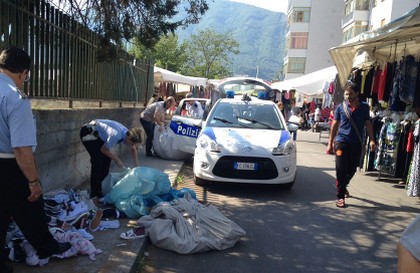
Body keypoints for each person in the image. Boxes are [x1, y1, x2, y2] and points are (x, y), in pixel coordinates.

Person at [0, 46, 71, 272]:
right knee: (32, 204)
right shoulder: (14, 97)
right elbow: (21, 148)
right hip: (8, 165)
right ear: (23, 72)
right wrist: (33, 181)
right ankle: (47, 246)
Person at [327, 82, 376, 208]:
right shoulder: (340, 108)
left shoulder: (364, 107)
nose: (348, 96)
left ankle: (342, 185)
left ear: (357, 94)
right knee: (341, 169)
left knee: (352, 169)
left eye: (351, 94)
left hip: (356, 143)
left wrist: (372, 140)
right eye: (347, 94)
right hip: (341, 142)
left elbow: (368, 124)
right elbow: (335, 125)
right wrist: (330, 143)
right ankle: (341, 196)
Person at [80, 119, 144, 198]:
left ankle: (103, 187)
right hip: (88, 132)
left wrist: (137, 168)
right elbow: (103, 150)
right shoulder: (116, 135)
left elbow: (133, 149)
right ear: (128, 138)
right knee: (97, 160)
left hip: (97, 135)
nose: (131, 145)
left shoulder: (128, 134)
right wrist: (117, 159)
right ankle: (95, 194)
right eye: (131, 143)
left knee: (107, 160)